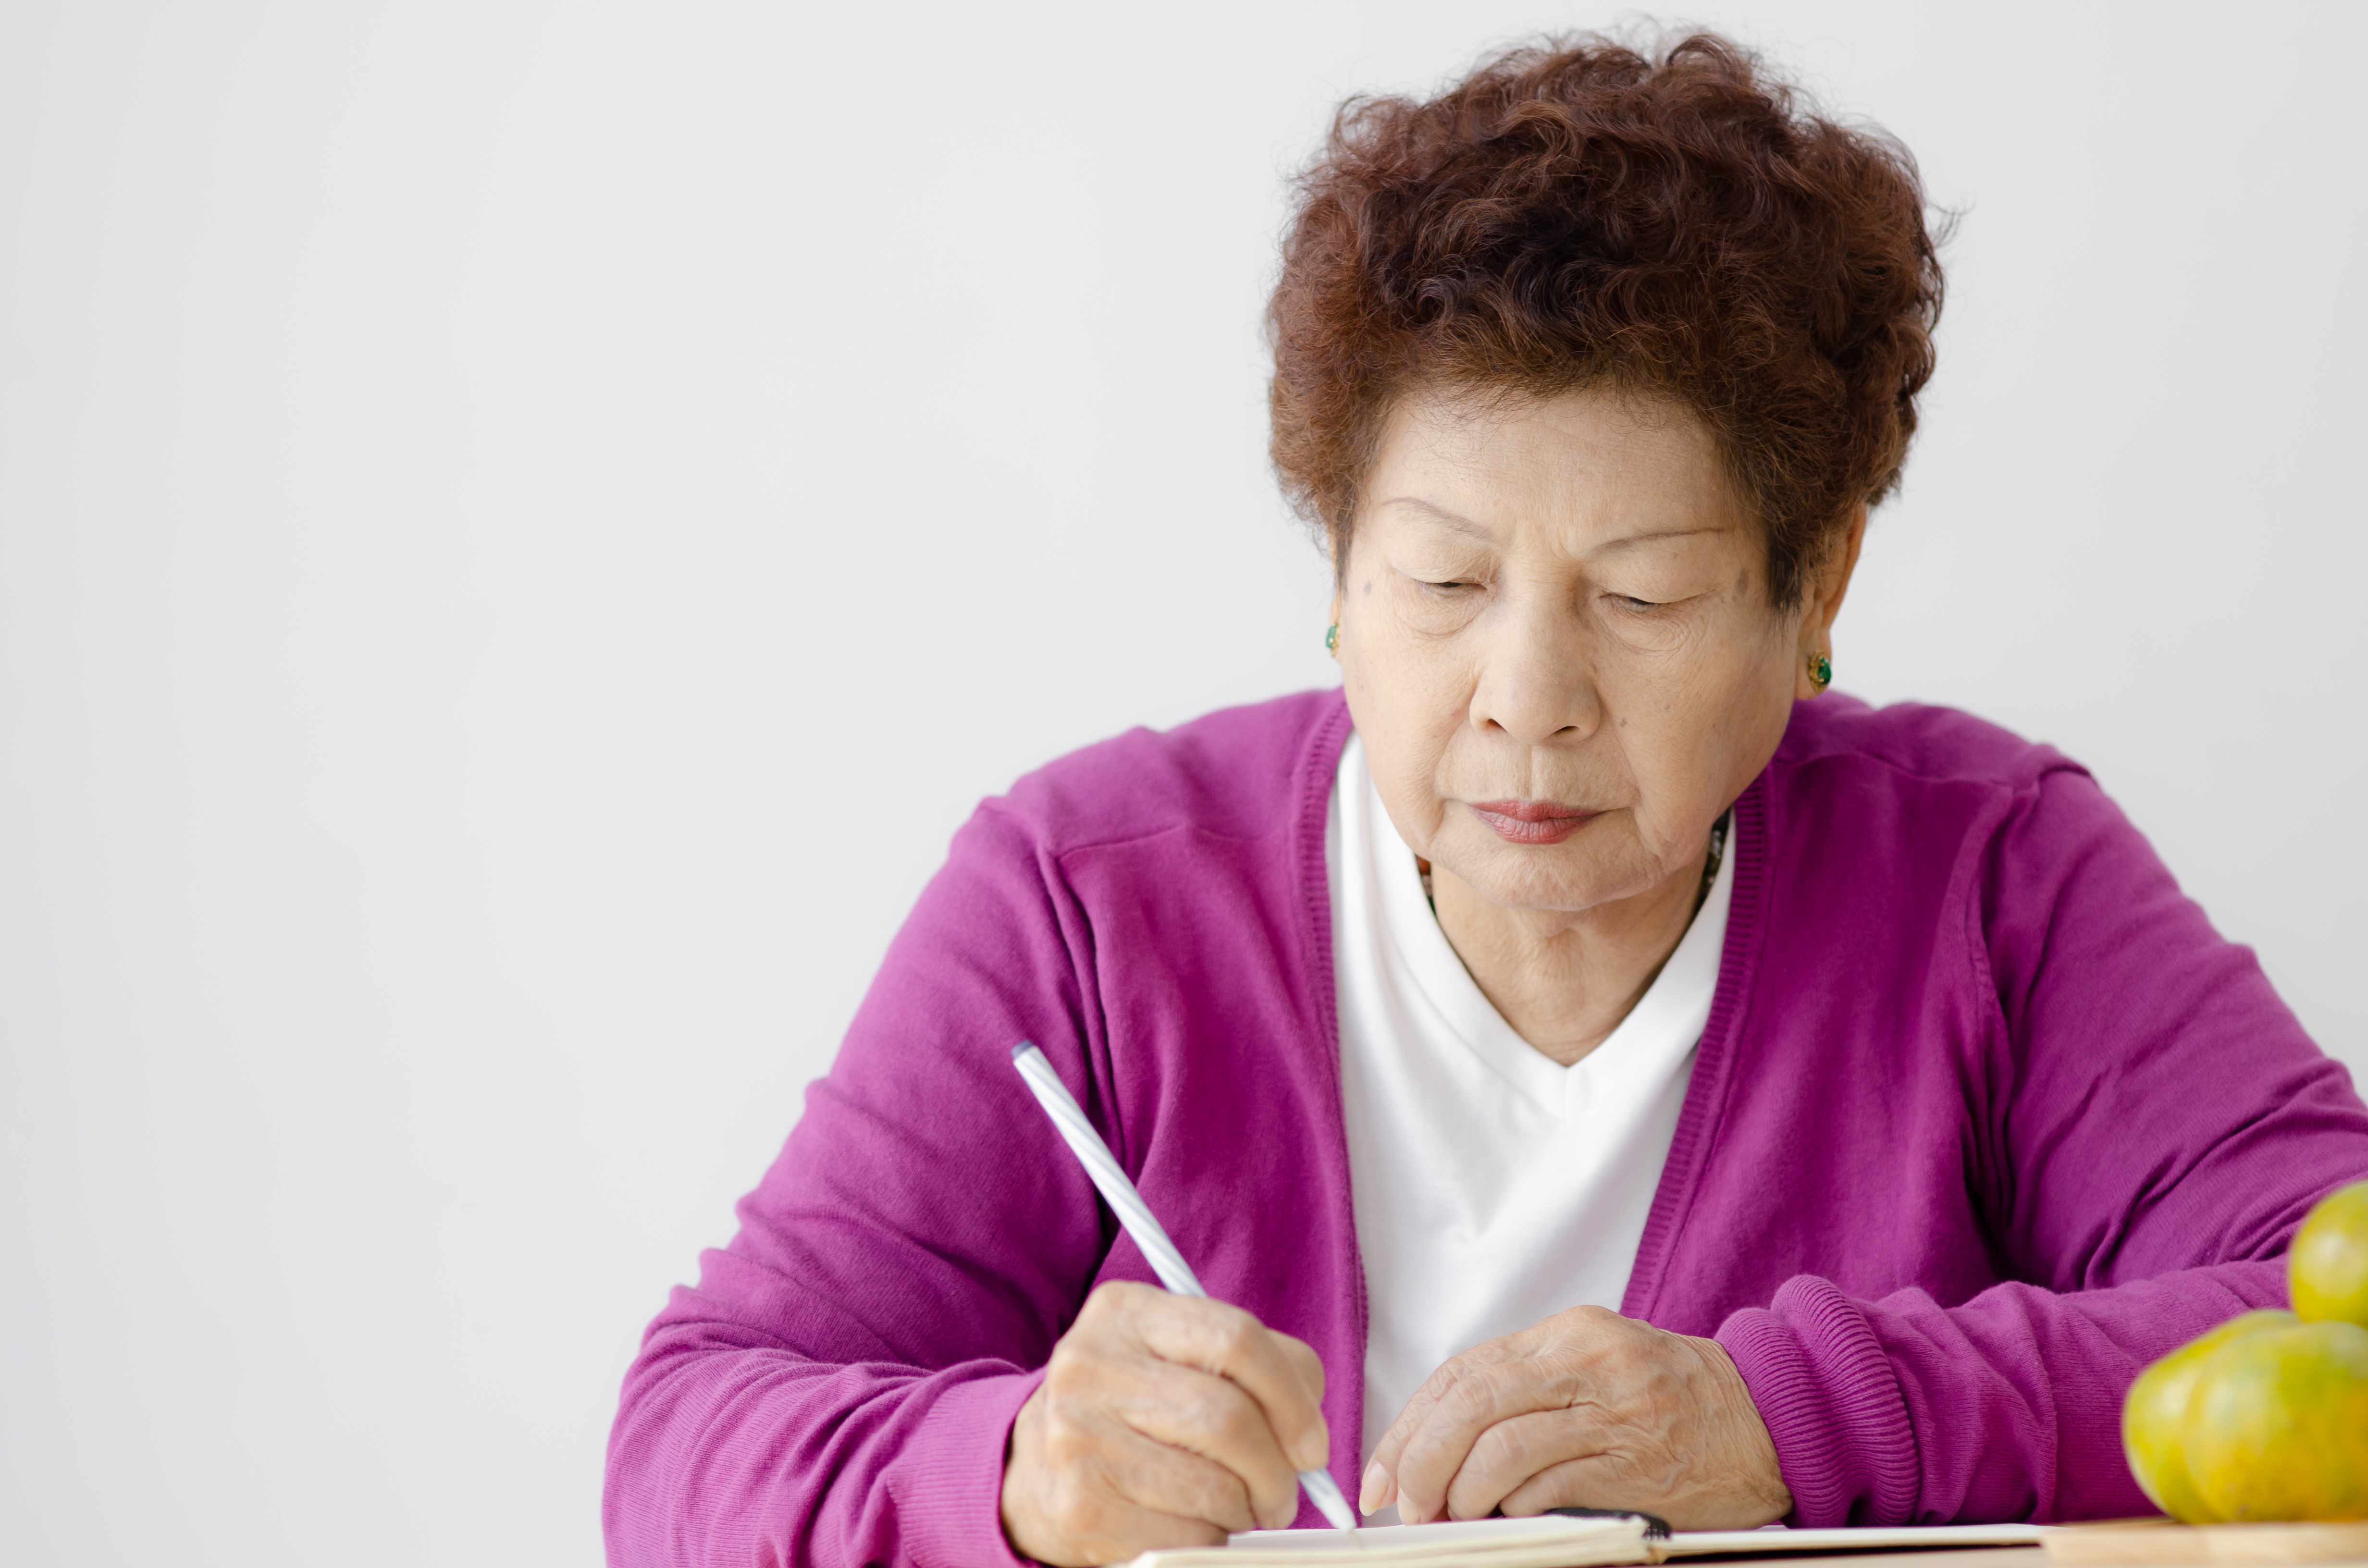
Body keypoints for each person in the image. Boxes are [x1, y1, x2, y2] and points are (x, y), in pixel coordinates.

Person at [604, 33, 2368, 1568]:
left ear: (1813, 588)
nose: (1526, 699)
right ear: (1338, 572)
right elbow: (687, 1441)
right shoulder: (1088, 896)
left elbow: (2333, 1309)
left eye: (1646, 594)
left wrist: (1797, 1423)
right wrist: (1004, 1477)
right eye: (1442, 584)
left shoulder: (1991, 877)